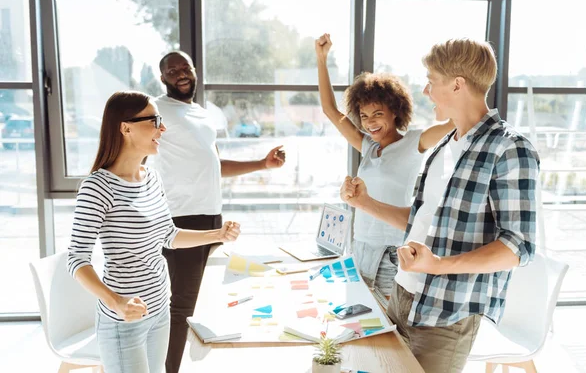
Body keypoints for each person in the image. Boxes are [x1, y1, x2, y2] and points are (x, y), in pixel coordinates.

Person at [340, 38, 540, 373]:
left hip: (448, 314)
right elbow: (421, 220)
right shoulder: (443, 147)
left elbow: (517, 248)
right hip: (401, 298)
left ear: (457, 84)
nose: (426, 91)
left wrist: (437, 265)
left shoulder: (509, 148)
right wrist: (365, 203)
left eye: (432, 81)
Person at [67, 91, 241, 373]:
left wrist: (217, 235)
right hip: (124, 320)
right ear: (126, 128)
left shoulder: (152, 178)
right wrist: (117, 302)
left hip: (160, 308)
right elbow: (76, 259)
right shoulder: (97, 188)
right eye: (155, 120)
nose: (163, 128)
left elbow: (168, 235)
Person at [154, 51, 286, 373]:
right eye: (172, 71)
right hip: (180, 217)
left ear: (195, 71)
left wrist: (262, 164)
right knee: (181, 306)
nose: (180, 74)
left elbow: (215, 165)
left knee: (203, 300)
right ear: (163, 79)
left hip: (210, 216)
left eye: (185, 67)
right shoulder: (156, 109)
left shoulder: (199, 114)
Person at [315, 33, 453, 297]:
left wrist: (450, 84)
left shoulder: (414, 142)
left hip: (392, 252)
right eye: (364, 116)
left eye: (378, 114)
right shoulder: (367, 145)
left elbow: (454, 123)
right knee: (360, 323)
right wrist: (322, 59)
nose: (370, 122)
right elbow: (330, 111)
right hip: (360, 248)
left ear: (395, 111)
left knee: (390, 328)